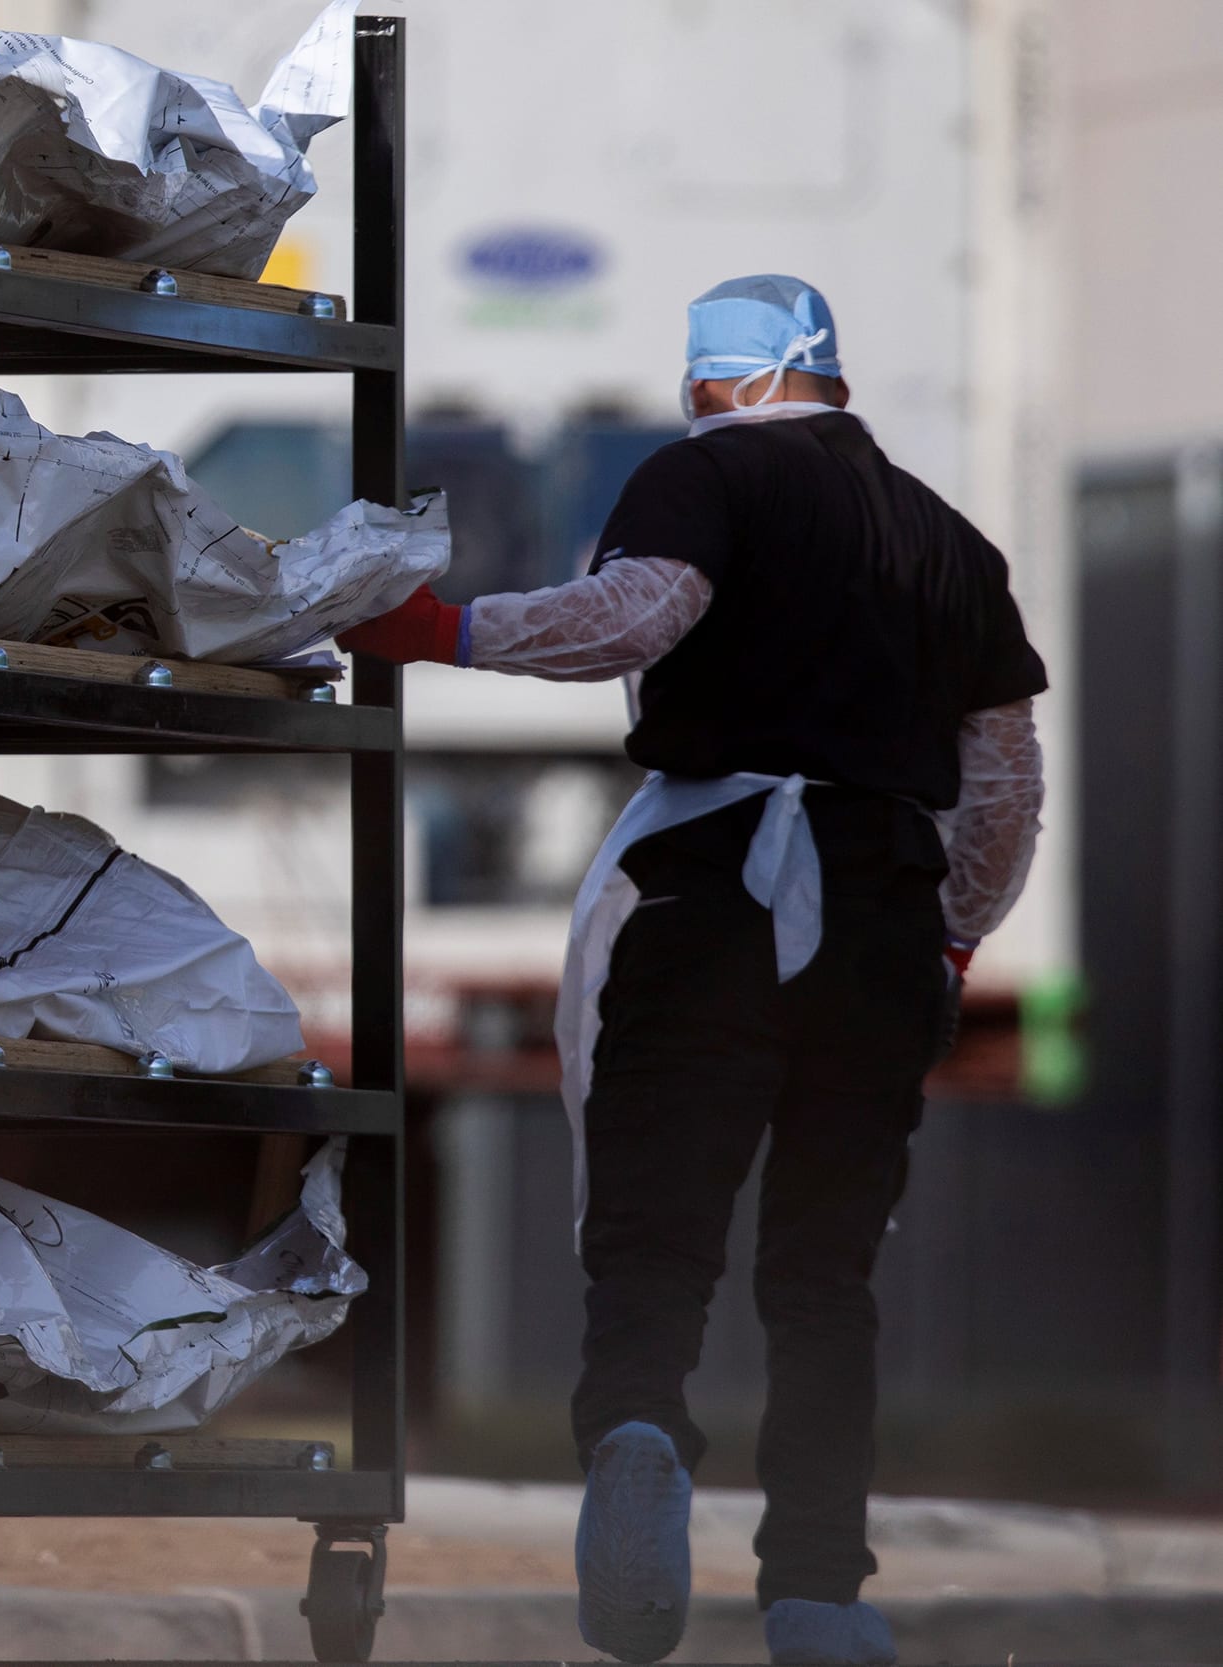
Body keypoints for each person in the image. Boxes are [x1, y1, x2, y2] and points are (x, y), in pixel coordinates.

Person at [341, 275, 1046, 1667]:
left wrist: (446, 631)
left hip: (719, 889)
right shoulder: (951, 544)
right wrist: (955, 936)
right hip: (885, 915)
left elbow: (635, 617)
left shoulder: (703, 474)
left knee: (656, 1235)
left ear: (717, 380)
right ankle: (820, 1597)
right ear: (830, 379)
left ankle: (643, 1430)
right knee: (826, 1273)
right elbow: (1007, 780)